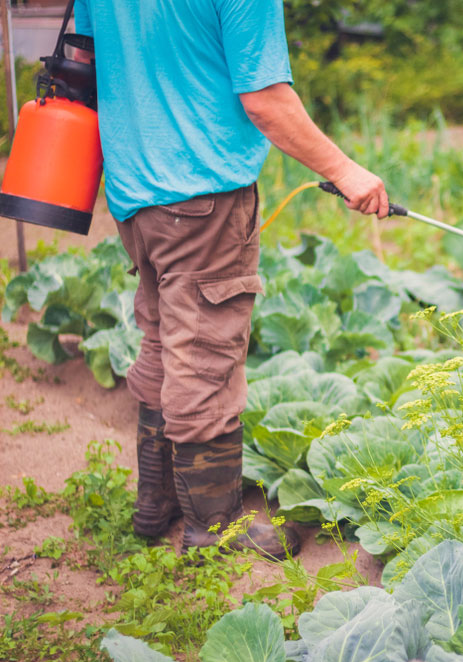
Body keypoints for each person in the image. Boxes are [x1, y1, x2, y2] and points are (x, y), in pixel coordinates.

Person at [73, 0, 390, 559]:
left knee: (161, 339)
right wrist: (345, 171)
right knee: (204, 355)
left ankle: (159, 500)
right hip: (201, 193)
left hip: (131, 192)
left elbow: (89, 57)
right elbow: (265, 102)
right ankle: (212, 528)